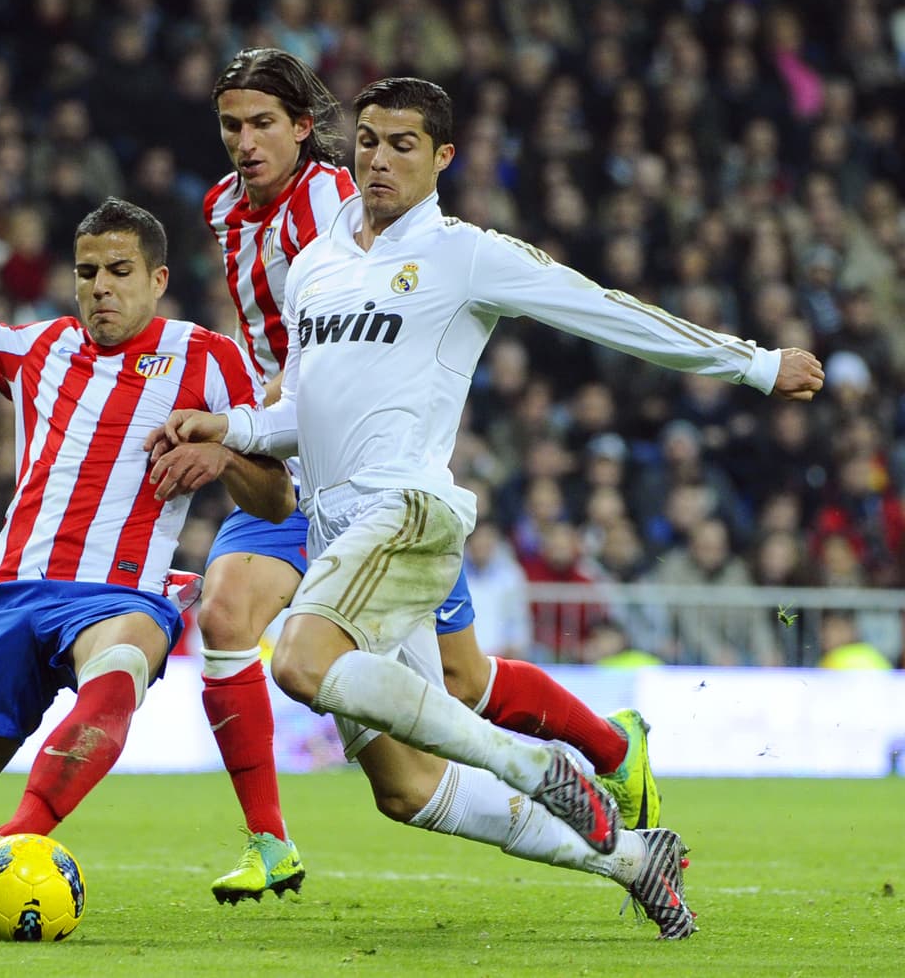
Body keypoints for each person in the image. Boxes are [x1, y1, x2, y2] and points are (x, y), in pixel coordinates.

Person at [151, 77, 826, 939]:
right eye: (367, 141)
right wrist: (233, 424)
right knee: (407, 790)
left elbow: (605, 311)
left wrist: (755, 365)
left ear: (443, 159)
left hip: (403, 515)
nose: (379, 159)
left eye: (402, 144)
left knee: (297, 662)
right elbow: (303, 412)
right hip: (334, 534)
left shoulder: (466, 254)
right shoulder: (318, 264)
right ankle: (629, 858)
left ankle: (536, 761)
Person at [195, 48, 663, 905]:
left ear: (306, 131)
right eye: (231, 125)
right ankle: (272, 839)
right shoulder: (227, 212)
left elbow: (414, 307)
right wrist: (239, 423)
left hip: (383, 482)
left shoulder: (346, 201)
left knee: (445, 680)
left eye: (263, 123)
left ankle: (594, 750)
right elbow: (293, 353)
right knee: (245, 630)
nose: (244, 142)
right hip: (296, 455)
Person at [0, 108, 294, 919]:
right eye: (88, 272)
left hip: (119, 595)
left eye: (119, 271)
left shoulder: (208, 357)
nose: (100, 288)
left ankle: (19, 839)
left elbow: (276, 499)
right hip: (14, 594)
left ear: (157, 280)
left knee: (121, 663)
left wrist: (226, 456)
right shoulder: (38, 349)